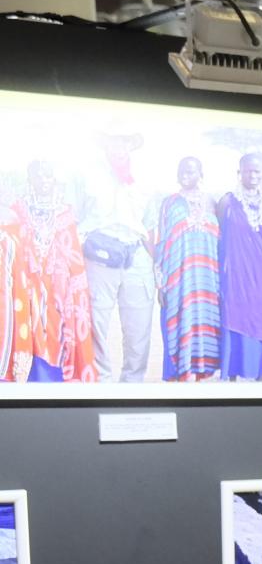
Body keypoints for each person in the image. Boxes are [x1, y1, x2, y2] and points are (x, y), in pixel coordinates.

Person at [0, 159, 95, 383]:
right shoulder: (17, 210)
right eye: (38, 176)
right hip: (24, 285)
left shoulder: (64, 214)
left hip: (57, 289)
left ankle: (51, 381)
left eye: (48, 176)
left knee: (54, 333)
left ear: (55, 180)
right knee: (27, 331)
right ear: (29, 180)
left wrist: (69, 289)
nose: (44, 180)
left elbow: (74, 257)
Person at [80, 125, 157, 382]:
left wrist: (157, 265)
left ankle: (131, 386)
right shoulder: (86, 173)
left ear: (131, 145)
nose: (119, 148)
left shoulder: (144, 175)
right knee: (96, 323)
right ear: (105, 145)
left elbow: (151, 225)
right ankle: (100, 383)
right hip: (100, 255)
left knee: (139, 327)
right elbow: (75, 216)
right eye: (113, 142)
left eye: (124, 142)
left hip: (135, 254)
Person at [155, 156, 223, 380]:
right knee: (178, 321)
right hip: (178, 280)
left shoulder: (213, 202)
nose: (186, 174)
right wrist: (160, 282)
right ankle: (180, 377)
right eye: (182, 170)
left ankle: (202, 373)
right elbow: (162, 241)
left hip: (207, 279)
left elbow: (222, 242)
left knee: (204, 324)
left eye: (191, 171)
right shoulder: (169, 203)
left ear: (201, 174)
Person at [217, 153, 262, 381]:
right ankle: (232, 372)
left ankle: (257, 371)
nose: (252, 175)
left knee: (259, 317)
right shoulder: (228, 202)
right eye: (248, 170)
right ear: (239, 172)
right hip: (236, 272)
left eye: (256, 171)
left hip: (261, 274)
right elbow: (220, 237)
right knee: (234, 316)